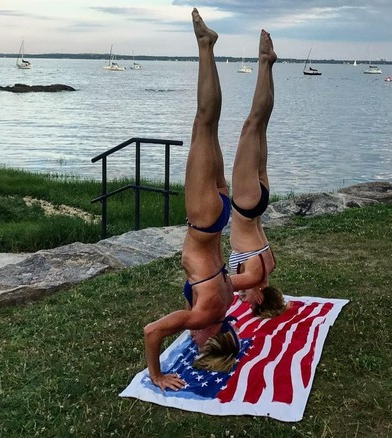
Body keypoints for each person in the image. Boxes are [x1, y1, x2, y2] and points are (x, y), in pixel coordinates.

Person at [143, 8, 240, 392]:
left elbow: (229, 277)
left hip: (219, 215)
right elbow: (153, 332)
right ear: (209, 335)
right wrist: (156, 374)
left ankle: (207, 47)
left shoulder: (226, 305)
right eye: (198, 345)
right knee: (203, 121)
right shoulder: (202, 316)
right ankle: (206, 46)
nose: (192, 343)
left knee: (209, 124)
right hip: (202, 217)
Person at [228, 28, 288, 319]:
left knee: (260, 124)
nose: (242, 298)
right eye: (249, 301)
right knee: (252, 123)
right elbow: (217, 283)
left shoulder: (269, 266)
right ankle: (265, 62)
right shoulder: (253, 276)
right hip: (246, 204)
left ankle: (268, 63)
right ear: (261, 293)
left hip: (259, 200)